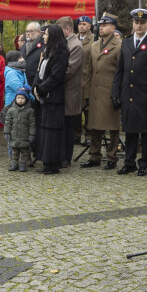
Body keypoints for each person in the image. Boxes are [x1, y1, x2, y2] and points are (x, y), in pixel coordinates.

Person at [112, 8, 147, 176]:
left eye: (143, 22)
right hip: (128, 94)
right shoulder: (127, 42)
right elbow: (120, 70)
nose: (139, 25)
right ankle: (129, 163)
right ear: (133, 23)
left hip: (146, 95)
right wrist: (115, 92)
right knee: (130, 130)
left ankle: (143, 164)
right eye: (136, 22)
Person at [82, 13, 122, 170]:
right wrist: (87, 93)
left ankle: (112, 157)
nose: (101, 28)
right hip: (95, 92)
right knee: (95, 125)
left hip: (110, 92)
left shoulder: (119, 46)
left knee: (113, 127)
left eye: (105, 25)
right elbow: (89, 72)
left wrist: (118, 93)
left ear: (113, 28)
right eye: (100, 25)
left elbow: (121, 73)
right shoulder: (94, 46)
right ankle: (94, 156)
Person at [31, 25, 68, 173]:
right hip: (44, 98)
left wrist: (41, 89)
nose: (43, 37)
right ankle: (46, 161)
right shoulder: (47, 52)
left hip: (54, 98)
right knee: (44, 131)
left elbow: (55, 77)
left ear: (53, 36)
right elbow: (39, 71)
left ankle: (53, 164)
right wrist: (35, 87)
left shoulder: (61, 54)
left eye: (45, 34)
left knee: (52, 132)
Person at [58, 16, 84, 168]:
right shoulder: (67, 43)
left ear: (67, 29)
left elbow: (69, 70)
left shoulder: (76, 46)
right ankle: (62, 155)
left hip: (70, 93)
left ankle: (66, 158)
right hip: (63, 92)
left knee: (68, 128)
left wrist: (53, 75)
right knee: (62, 127)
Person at [4, 86, 36, 172]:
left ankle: (23, 164)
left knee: (24, 152)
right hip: (14, 136)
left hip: (25, 136)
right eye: (18, 98)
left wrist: (32, 134)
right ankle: (14, 163)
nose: (20, 100)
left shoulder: (30, 111)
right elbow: (8, 122)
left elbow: (32, 124)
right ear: (15, 98)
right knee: (15, 152)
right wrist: (7, 132)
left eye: (22, 98)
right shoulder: (11, 110)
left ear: (26, 99)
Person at [22, 21, 44, 88]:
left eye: (31, 31)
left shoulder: (44, 46)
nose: (28, 33)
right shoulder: (23, 47)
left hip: (37, 82)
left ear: (38, 32)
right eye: (27, 31)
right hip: (24, 81)